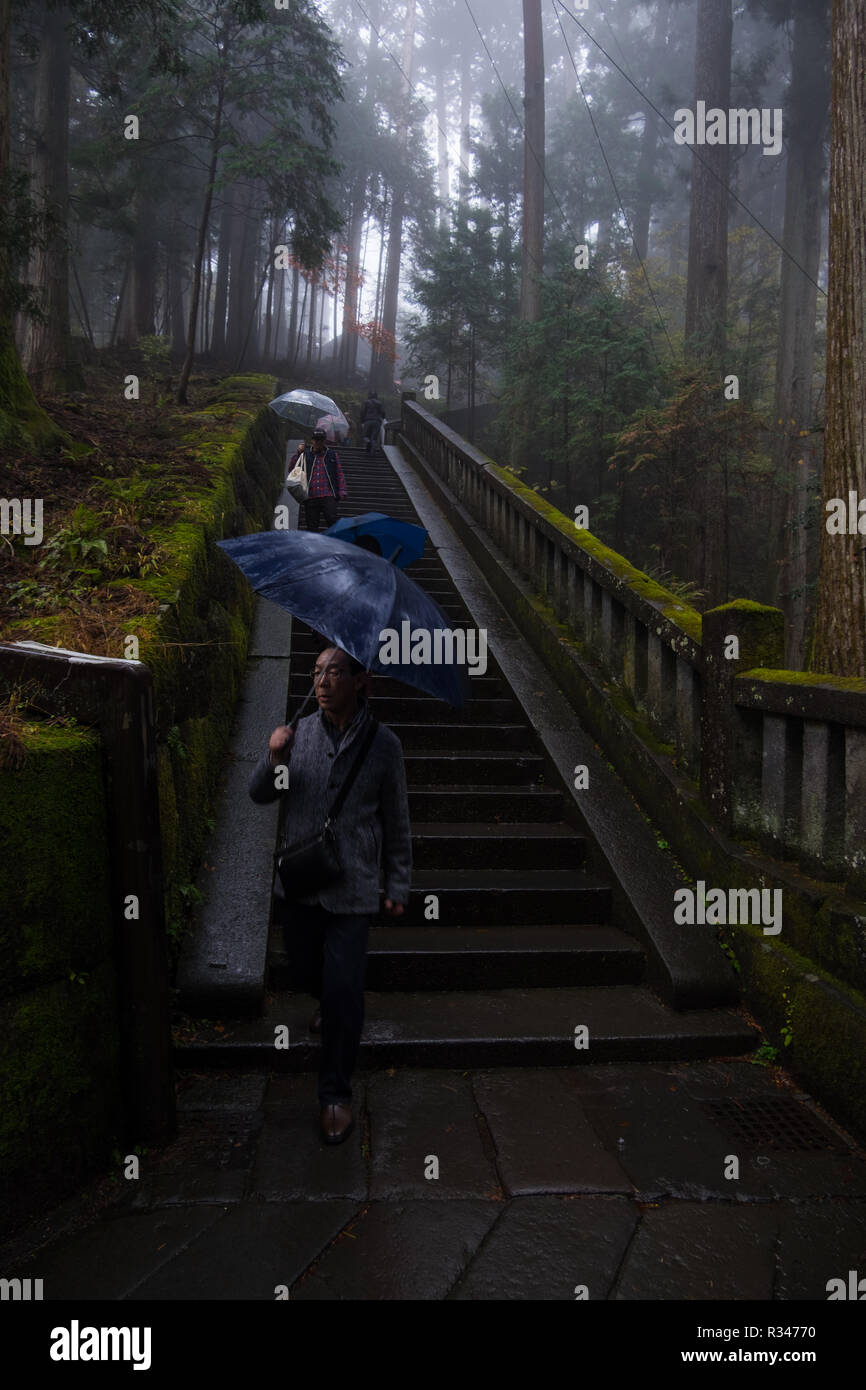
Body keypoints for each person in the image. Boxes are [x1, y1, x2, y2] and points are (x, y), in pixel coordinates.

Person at [248, 646, 412, 1145]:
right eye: (317, 672)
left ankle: (335, 1095)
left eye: (334, 672)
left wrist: (397, 882)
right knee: (302, 969)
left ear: (361, 682)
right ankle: (326, 1000)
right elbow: (261, 793)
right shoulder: (296, 735)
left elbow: (397, 821)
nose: (322, 682)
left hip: (355, 885)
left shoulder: (384, 745)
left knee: (345, 993)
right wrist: (275, 757)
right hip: (302, 881)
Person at [291, 427, 347, 530]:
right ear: (312, 440)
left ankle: (333, 544)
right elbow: (292, 469)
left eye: (321, 439)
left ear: (324, 441)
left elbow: (339, 473)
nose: (318, 442)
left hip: (328, 494)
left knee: (332, 521)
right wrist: (298, 453)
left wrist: (342, 490)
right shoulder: (305, 454)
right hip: (311, 496)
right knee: (312, 527)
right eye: (316, 439)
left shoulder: (332, 455)